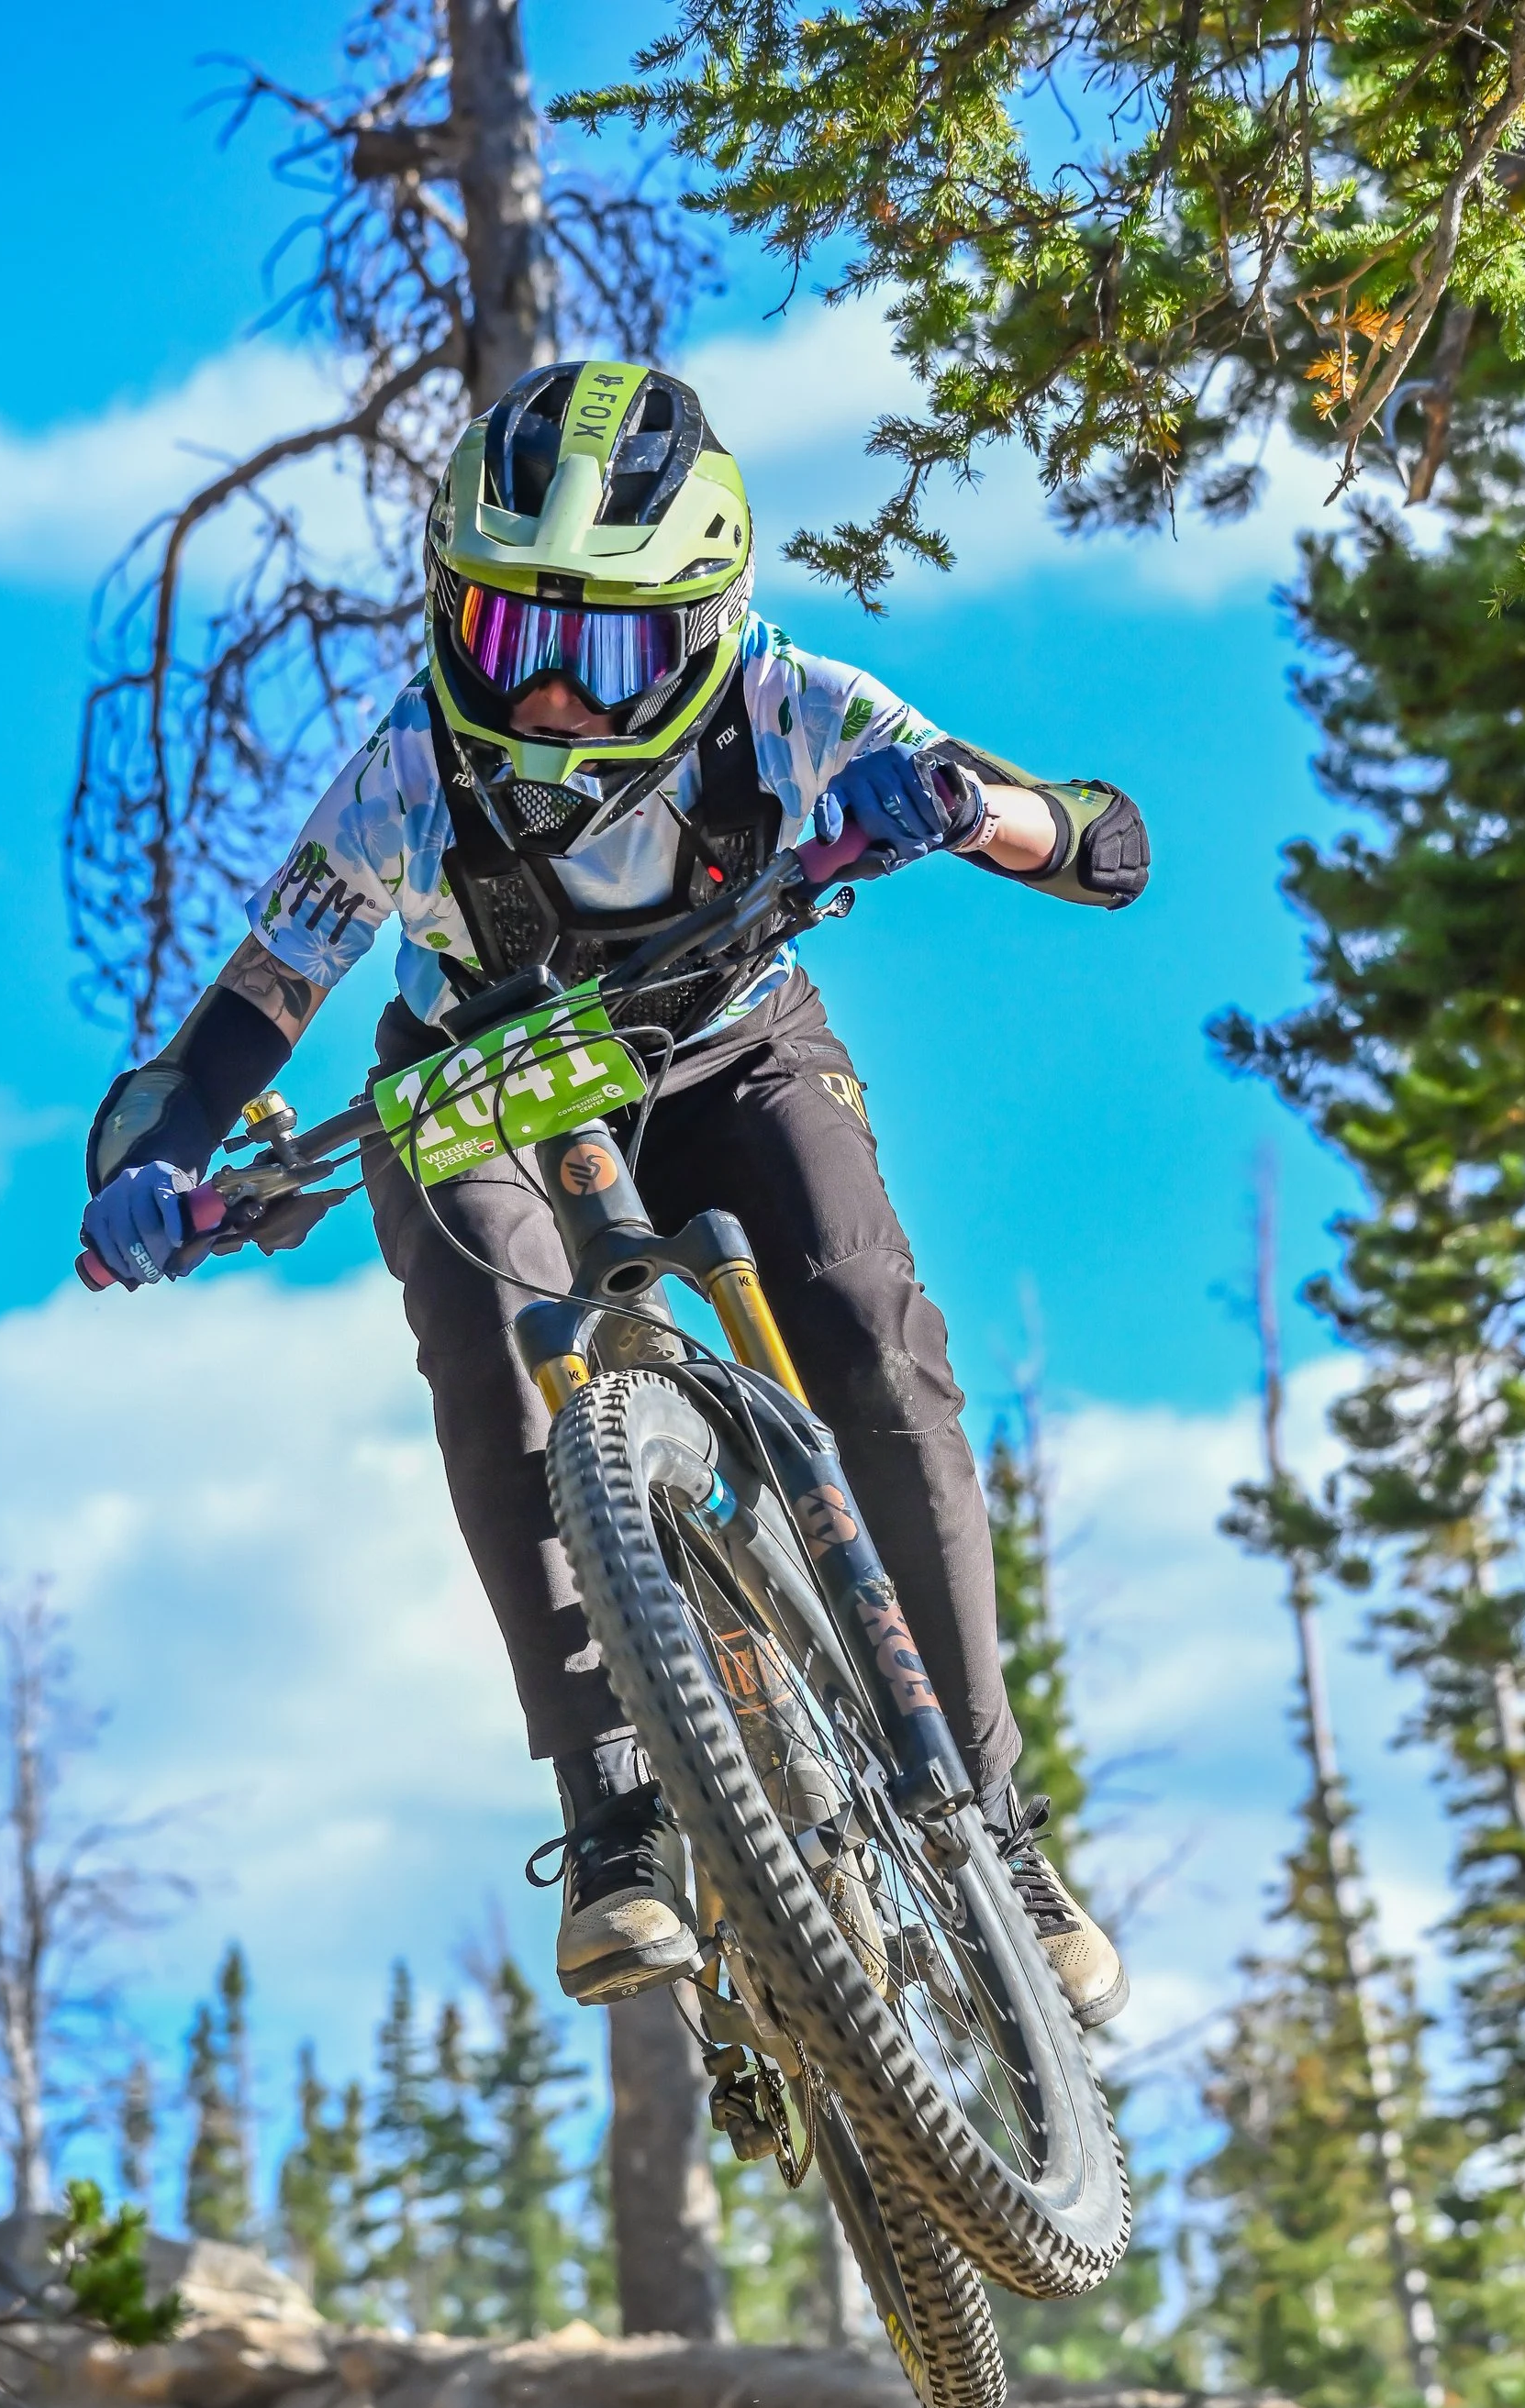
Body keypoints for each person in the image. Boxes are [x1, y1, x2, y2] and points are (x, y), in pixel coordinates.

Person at [79, 360, 1147, 2023]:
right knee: (501, 1373)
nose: (562, 698)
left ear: (711, 623)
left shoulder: (793, 705)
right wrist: (153, 1157)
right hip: (477, 1083)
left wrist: (964, 802)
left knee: (870, 1342)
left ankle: (993, 1827)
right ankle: (614, 1814)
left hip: (726, 1046)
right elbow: (249, 1006)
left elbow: (1102, 840)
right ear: (451, 614)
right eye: (518, 638)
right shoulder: (407, 770)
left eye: (615, 647)